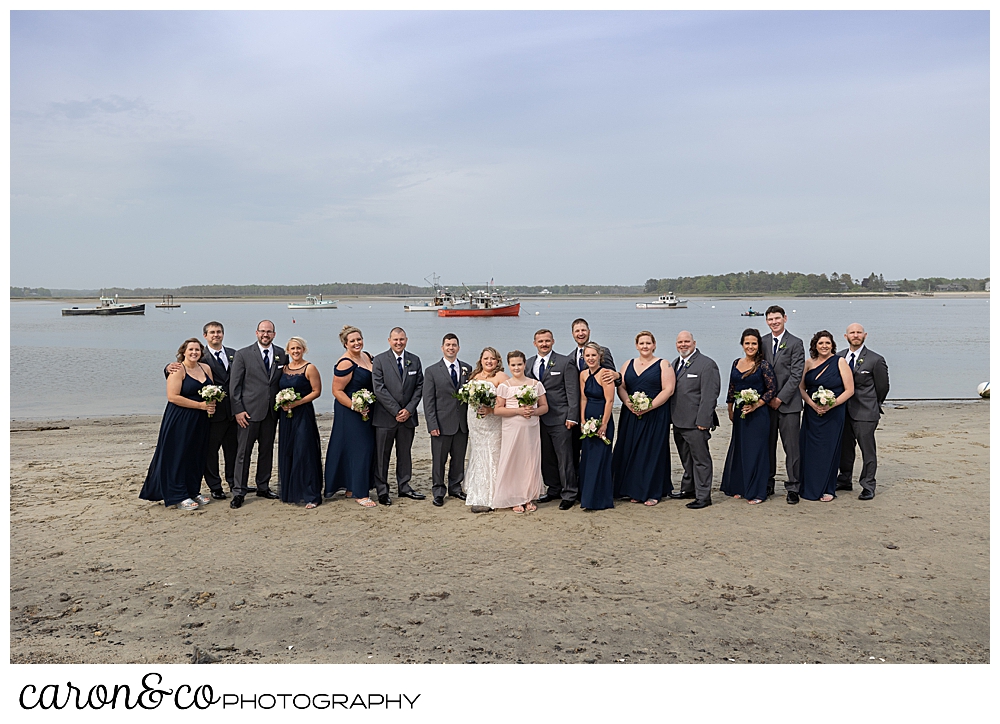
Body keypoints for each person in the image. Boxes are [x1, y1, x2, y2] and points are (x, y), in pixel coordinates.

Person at [140, 339, 216, 511]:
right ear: (183, 352)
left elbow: (212, 391)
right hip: (180, 418)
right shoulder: (177, 369)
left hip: (201, 419)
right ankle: (178, 495)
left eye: (197, 350)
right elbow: (173, 397)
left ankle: (192, 490)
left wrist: (211, 404)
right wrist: (200, 406)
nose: (194, 352)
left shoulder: (206, 368)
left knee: (196, 455)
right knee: (178, 455)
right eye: (191, 349)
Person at [164, 321, 237, 500]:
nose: (216, 335)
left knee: (233, 450)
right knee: (209, 452)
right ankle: (215, 486)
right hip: (208, 414)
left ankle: (235, 483)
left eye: (219, 332)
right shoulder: (200, 359)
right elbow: (177, 374)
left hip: (233, 412)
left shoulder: (235, 355)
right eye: (212, 332)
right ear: (206, 336)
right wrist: (167, 368)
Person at [612, 331, 675, 505]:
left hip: (655, 415)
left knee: (651, 452)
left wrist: (649, 406)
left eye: (648, 343)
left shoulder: (663, 364)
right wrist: (627, 402)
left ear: (654, 345)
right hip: (631, 414)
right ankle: (631, 489)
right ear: (636, 346)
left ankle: (652, 492)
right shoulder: (628, 364)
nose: (645, 346)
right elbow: (621, 387)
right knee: (629, 449)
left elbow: (668, 390)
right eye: (641, 343)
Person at [228, 320, 286, 509]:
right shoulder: (243, 354)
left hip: (271, 413)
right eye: (262, 331)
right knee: (243, 453)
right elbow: (234, 386)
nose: (265, 335)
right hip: (248, 413)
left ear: (274, 334)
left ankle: (263, 486)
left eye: (269, 332)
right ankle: (239, 491)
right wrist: (238, 410)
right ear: (256, 333)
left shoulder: (281, 354)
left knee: (266, 451)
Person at [720, 329, 777, 505]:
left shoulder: (764, 365)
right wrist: (730, 409)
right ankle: (740, 487)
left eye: (754, 343)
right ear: (742, 344)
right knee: (741, 449)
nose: (750, 346)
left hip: (758, 415)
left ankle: (758, 492)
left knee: (757, 451)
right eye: (747, 343)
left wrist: (756, 404)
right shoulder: (736, 362)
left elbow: (772, 389)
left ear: (758, 345)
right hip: (740, 413)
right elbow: (732, 387)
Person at [371, 327, 426, 505]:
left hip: (408, 417)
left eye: (401, 339)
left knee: (404, 454)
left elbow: (419, 387)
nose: (398, 342)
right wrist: (396, 411)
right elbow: (379, 389)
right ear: (389, 340)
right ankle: (382, 490)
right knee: (382, 455)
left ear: (406, 340)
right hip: (385, 417)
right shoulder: (379, 360)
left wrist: (408, 410)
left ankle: (404, 486)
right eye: (395, 339)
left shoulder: (414, 360)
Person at [526, 329, 580, 510]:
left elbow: (573, 392)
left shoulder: (566, 362)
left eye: (547, 341)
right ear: (535, 343)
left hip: (560, 418)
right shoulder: (529, 364)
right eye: (540, 341)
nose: (544, 344)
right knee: (546, 457)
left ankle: (569, 493)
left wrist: (572, 416)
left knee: (565, 457)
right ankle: (553, 488)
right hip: (537, 419)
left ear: (553, 341)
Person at [798, 331, 855, 502]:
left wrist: (831, 405)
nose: (824, 346)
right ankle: (808, 486)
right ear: (815, 345)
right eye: (821, 343)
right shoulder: (808, 363)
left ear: (832, 345)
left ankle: (828, 488)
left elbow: (850, 390)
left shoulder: (840, 361)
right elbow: (801, 388)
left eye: (827, 343)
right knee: (809, 450)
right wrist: (812, 404)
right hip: (811, 414)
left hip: (833, 414)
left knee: (829, 450)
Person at [325, 325, 377, 507]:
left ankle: (351, 486)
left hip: (367, 410)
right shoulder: (345, 363)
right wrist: (355, 406)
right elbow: (336, 390)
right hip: (350, 411)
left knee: (360, 448)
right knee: (361, 449)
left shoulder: (367, 356)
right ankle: (361, 494)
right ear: (345, 344)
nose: (357, 343)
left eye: (359, 339)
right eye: (352, 341)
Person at [837, 324, 890, 500]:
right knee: (845, 449)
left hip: (866, 412)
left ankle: (868, 485)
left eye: (859, 332)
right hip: (843, 411)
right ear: (846, 336)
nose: (856, 335)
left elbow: (883, 387)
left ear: (865, 335)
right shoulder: (839, 357)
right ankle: (844, 479)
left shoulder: (876, 360)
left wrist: (874, 404)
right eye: (852, 332)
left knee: (867, 450)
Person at [670, 331, 721, 510]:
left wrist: (704, 420)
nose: (683, 345)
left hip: (696, 422)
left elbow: (710, 395)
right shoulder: (674, 364)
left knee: (701, 460)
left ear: (694, 342)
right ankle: (688, 489)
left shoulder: (707, 364)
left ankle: (703, 496)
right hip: (678, 421)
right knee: (686, 459)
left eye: (686, 341)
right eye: (680, 342)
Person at [493, 351, 548, 512]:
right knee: (513, 460)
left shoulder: (535, 384)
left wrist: (534, 412)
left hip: (530, 428)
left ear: (525, 365)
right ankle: (514, 498)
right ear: (509, 366)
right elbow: (497, 410)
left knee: (529, 461)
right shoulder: (505, 386)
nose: (516, 368)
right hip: (512, 428)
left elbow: (545, 407)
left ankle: (528, 497)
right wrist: (518, 411)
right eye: (513, 365)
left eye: (519, 364)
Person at [762, 305, 805, 504]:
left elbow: (796, 375)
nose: (774, 322)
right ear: (766, 321)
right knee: (768, 446)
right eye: (770, 319)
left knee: (792, 448)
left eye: (777, 319)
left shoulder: (796, 343)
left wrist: (780, 398)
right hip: (766, 405)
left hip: (789, 405)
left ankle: (794, 486)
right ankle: (768, 482)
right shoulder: (762, 342)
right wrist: (766, 398)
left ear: (785, 319)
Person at [423, 333, 471, 507]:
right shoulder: (432, 371)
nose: (451, 347)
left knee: (458, 459)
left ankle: (456, 488)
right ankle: (438, 491)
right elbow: (428, 401)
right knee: (439, 460)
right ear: (442, 347)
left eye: (454, 345)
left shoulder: (467, 369)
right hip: (441, 424)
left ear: (458, 347)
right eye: (448, 344)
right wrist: (432, 424)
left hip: (461, 424)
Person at [276, 336, 323, 509]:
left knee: (304, 451)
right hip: (286, 416)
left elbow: (316, 391)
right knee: (289, 450)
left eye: (299, 348)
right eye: (292, 349)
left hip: (303, 414)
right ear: (288, 350)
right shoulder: (284, 369)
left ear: (304, 349)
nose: (296, 351)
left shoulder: (309, 368)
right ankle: (292, 491)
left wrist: (297, 402)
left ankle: (312, 495)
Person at [569, 318, 620, 474]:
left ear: (589, 332)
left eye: (583, 330)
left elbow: (613, 378)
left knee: (600, 452)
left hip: (600, 407)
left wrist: (618, 375)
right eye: (577, 331)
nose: (580, 333)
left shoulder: (604, 351)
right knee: (578, 451)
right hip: (579, 411)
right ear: (572, 334)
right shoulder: (569, 357)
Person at [464, 347, 508, 513]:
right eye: (486, 358)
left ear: (498, 361)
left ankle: (491, 495)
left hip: (492, 421)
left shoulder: (501, 377)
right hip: (475, 420)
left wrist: (491, 409)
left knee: (492, 451)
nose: (489, 361)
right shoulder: (474, 376)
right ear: (480, 360)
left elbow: (507, 398)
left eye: (493, 359)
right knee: (477, 451)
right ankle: (475, 488)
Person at [577, 342, 615, 510]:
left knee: (600, 458)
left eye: (593, 355)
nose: (591, 358)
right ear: (584, 358)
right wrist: (583, 420)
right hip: (588, 418)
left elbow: (610, 401)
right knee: (587, 458)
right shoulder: (583, 374)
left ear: (600, 356)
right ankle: (586, 497)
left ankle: (600, 499)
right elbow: (583, 398)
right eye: (587, 356)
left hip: (602, 418)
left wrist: (604, 424)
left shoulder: (606, 374)